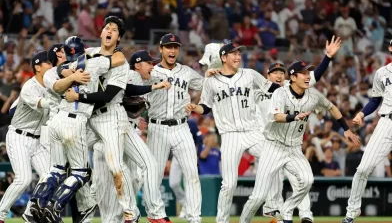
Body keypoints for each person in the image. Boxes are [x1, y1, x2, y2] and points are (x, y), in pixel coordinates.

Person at [239, 60, 360, 223]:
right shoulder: (279, 93)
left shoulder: (313, 95)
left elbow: (331, 107)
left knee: (307, 180)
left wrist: (346, 128)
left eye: (308, 72)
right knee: (258, 196)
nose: (307, 75)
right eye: (303, 73)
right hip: (273, 146)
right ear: (293, 77)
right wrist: (292, 117)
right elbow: (277, 116)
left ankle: (288, 210)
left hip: (294, 148)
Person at [66, 46, 171, 223]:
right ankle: (145, 214)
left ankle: (141, 214)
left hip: (120, 128)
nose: (152, 66)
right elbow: (127, 90)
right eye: (149, 63)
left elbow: (130, 99)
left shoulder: (129, 74)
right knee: (104, 188)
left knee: (121, 182)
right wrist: (153, 87)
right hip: (104, 128)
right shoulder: (128, 73)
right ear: (137, 64)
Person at [31, 36, 127, 222]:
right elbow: (119, 59)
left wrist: (68, 73)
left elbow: (58, 86)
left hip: (55, 122)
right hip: (75, 122)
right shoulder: (93, 63)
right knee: (81, 173)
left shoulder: (52, 72)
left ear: (65, 52)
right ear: (84, 49)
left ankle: (38, 200)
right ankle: (54, 205)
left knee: (57, 169)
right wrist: (76, 75)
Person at [185, 41, 280, 223]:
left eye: (239, 53)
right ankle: (222, 221)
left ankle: (272, 207)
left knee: (275, 159)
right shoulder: (211, 81)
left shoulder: (249, 75)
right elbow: (205, 107)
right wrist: (195, 107)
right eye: (233, 53)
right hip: (230, 136)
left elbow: (271, 87)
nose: (238, 56)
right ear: (223, 57)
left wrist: (291, 89)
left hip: (253, 131)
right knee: (228, 184)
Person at [256, 36, 342, 223]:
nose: (278, 75)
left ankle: (305, 215)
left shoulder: (290, 88)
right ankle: (279, 216)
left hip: (291, 143)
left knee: (300, 180)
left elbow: (314, 77)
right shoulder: (261, 92)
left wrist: (327, 57)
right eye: (274, 72)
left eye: (281, 72)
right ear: (267, 77)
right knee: (273, 183)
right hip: (269, 143)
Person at [144, 33, 206, 223]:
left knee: (192, 173)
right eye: (168, 47)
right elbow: (137, 92)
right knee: (153, 175)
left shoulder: (186, 71)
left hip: (181, 127)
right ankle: (155, 215)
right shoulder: (151, 72)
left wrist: (197, 103)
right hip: (157, 128)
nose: (172, 50)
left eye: (175, 47)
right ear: (161, 49)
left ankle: (194, 218)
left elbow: (207, 85)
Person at [342, 40, 392, 223]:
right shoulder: (381, 73)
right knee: (363, 168)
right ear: (390, 48)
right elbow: (375, 100)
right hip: (386, 122)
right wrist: (362, 114)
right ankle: (351, 212)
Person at [0, 51, 53, 223]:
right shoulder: (30, 86)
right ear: (37, 67)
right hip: (19, 136)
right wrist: (61, 99)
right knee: (23, 179)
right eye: (47, 63)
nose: (51, 66)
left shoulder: (51, 85)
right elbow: (42, 103)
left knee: (49, 176)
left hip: (37, 139)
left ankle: (30, 213)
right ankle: (0, 214)